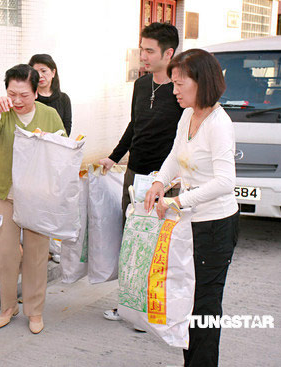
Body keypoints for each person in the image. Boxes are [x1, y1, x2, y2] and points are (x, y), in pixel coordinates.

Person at [144, 48, 239, 367]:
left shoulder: (218, 124)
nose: (174, 91)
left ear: (202, 82)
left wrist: (178, 200)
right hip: (190, 222)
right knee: (188, 302)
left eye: (180, 84)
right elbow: (175, 154)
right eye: (172, 84)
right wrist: (159, 180)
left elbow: (226, 182)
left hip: (215, 226)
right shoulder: (188, 114)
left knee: (205, 308)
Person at [99, 22, 183, 323]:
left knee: (160, 245)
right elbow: (135, 126)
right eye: (141, 49)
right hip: (134, 175)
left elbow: (184, 139)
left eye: (149, 50)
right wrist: (113, 158)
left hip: (165, 181)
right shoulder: (141, 84)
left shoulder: (180, 89)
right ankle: (129, 305)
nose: (143, 56)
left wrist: (171, 179)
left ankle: (156, 310)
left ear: (168, 52)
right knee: (132, 241)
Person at [0, 64, 65, 334]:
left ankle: (34, 311)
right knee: (7, 253)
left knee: (37, 254)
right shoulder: (3, 113)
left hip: (38, 196)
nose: (17, 101)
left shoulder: (50, 115)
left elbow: (63, 150)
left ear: (37, 92)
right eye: (12, 94)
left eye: (24, 95)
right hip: (6, 193)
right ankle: (7, 306)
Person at [28, 54, 72, 135]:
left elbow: (66, 130)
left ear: (53, 72)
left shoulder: (64, 99)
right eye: (36, 72)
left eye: (43, 71)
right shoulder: (29, 98)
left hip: (57, 145)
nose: (40, 76)